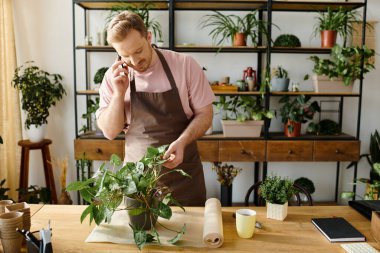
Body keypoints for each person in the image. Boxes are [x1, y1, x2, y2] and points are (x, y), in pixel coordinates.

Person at [95, 11, 215, 206]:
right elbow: (110, 132)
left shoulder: (184, 65)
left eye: (138, 51)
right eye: (125, 56)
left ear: (149, 37)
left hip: (184, 180)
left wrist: (182, 142)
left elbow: (206, 114)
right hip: (138, 187)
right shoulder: (113, 76)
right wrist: (118, 94)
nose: (134, 62)